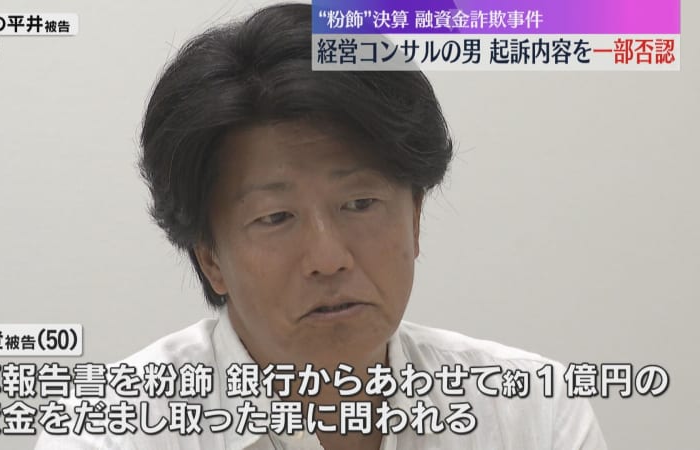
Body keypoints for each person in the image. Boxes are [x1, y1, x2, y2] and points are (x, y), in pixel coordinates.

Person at [36, 3, 607, 449]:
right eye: (276, 217)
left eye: (360, 203)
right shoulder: (112, 431)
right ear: (210, 255)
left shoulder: (532, 411)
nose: (329, 258)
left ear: (415, 218)